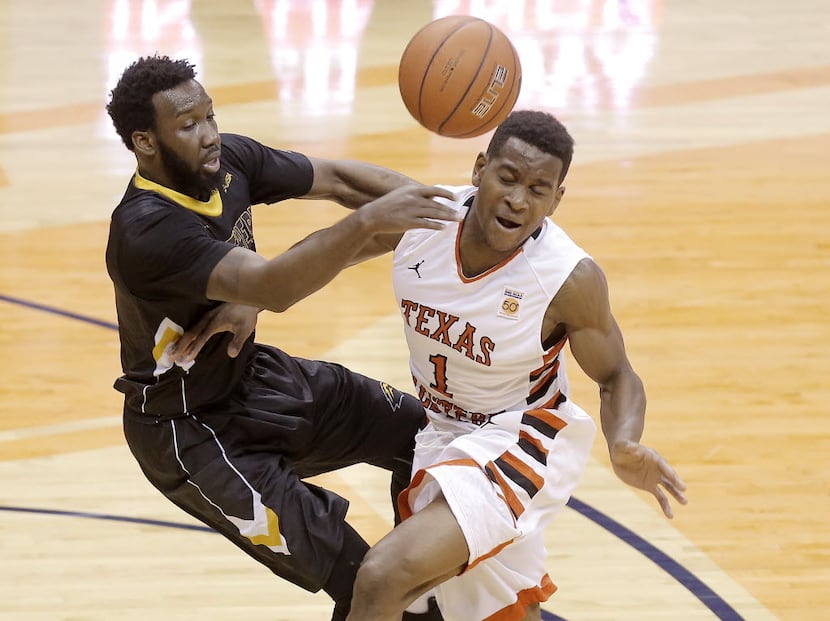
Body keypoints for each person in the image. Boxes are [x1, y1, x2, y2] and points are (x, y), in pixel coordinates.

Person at [104, 54, 459, 621]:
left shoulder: (230, 161)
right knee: (364, 578)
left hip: (255, 379)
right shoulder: (145, 229)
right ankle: (405, 600)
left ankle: (419, 595)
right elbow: (276, 285)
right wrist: (369, 223)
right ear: (145, 142)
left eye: (210, 115)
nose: (210, 134)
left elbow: (340, 179)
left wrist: (454, 213)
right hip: (191, 432)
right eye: (188, 125)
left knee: (422, 438)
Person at [336, 110, 689, 621]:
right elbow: (333, 228)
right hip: (444, 431)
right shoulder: (425, 219)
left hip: (523, 439)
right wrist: (254, 294)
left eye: (539, 189)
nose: (519, 199)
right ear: (479, 169)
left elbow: (617, 375)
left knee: (382, 579)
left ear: (557, 199)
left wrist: (623, 442)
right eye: (508, 177)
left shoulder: (567, 278)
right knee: (498, 608)